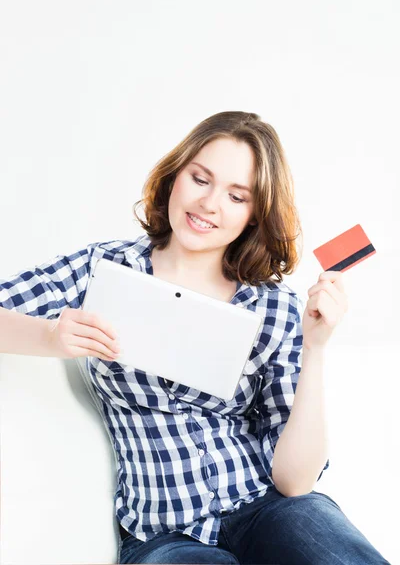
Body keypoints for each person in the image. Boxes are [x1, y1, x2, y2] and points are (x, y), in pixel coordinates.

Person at [0, 111, 390, 564]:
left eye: (236, 195)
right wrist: (51, 337)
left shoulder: (274, 306)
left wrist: (316, 348)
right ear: (175, 177)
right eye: (200, 179)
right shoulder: (104, 268)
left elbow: (295, 482)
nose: (209, 204)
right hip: (163, 533)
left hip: (269, 510)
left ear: (252, 215)